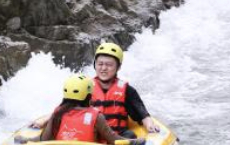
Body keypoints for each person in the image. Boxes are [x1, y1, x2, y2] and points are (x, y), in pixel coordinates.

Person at [30, 42, 160, 136]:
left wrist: (149, 124)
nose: (103, 68)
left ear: (118, 67)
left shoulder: (127, 90)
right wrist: (44, 120)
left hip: (117, 134)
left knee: (131, 136)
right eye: (100, 64)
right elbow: (65, 107)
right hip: (90, 134)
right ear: (95, 65)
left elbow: (142, 112)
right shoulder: (84, 86)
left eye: (109, 65)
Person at [15, 74, 122, 144]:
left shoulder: (58, 113)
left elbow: (44, 139)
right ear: (89, 95)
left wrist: (25, 140)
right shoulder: (97, 116)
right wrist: (136, 142)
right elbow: (114, 140)